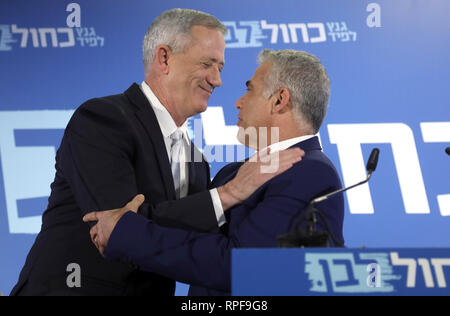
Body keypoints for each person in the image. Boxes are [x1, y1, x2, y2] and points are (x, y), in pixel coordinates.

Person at [10, 9, 303, 296]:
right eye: (207, 64)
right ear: (164, 58)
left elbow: (171, 242)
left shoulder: (197, 161)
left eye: (220, 68)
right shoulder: (103, 120)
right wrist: (226, 195)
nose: (217, 80)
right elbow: (117, 228)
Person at [83, 49, 345, 296]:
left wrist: (127, 233)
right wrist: (128, 222)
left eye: (249, 90)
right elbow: (189, 232)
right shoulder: (234, 173)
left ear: (279, 100)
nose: (238, 102)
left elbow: (242, 266)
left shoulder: (311, 173)